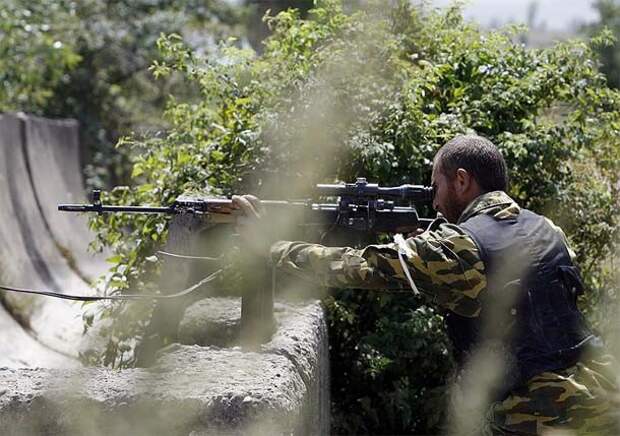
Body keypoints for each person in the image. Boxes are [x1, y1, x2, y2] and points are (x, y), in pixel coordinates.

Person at [232, 134, 619, 434]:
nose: (434, 202)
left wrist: (272, 246)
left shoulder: (457, 247)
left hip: (538, 418)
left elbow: (358, 266)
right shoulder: (548, 229)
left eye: (436, 187)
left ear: (462, 181)